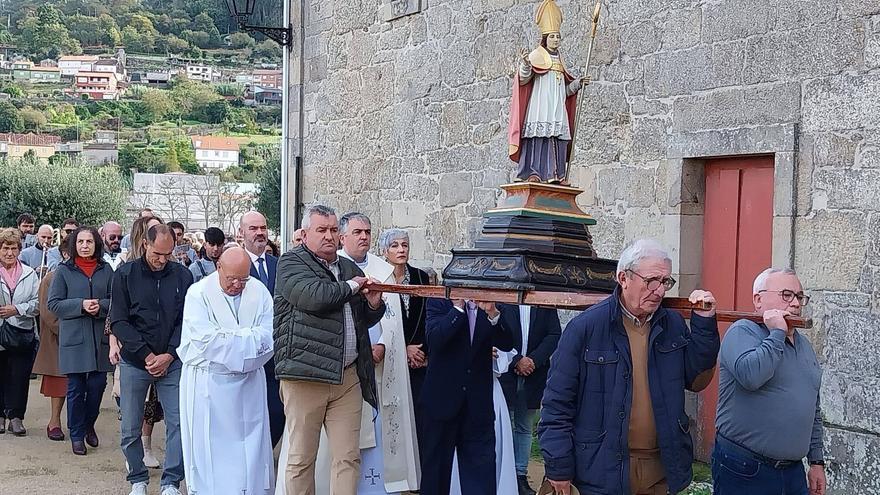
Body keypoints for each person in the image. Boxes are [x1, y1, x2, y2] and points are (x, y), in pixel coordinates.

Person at [539, 239, 720, 495]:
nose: (659, 291)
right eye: (651, 281)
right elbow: (557, 404)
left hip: (659, 470)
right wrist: (558, 467)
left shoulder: (673, 325)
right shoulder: (586, 329)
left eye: (665, 282)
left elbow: (696, 378)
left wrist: (704, 324)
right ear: (624, 278)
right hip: (602, 472)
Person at [273, 204, 385, 495]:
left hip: (347, 377)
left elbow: (363, 318)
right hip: (304, 376)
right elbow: (315, 297)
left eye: (333, 230)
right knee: (301, 459)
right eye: (321, 230)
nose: (329, 236)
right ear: (305, 233)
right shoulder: (290, 263)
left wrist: (373, 303)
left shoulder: (348, 267)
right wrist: (351, 286)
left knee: (348, 456)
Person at [322, 214, 420, 494]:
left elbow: (392, 319)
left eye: (367, 231)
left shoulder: (382, 270)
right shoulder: (334, 268)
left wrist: (385, 345)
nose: (364, 236)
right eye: (357, 232)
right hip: (350, 366)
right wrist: (365, 348)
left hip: (382, 363)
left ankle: (381, 486)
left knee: (381, 429)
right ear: (343, 237)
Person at [712, 268, 826, 495]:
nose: (795, 303)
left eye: (799, 296)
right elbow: (751, 376)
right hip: (744, 468)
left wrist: (816, 462)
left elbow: (812, 407)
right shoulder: (742, 332)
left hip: (792, 472)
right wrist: (776, 334)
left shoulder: (804, 347)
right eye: (786, 295)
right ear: (758, 299)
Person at [179, 247, 275, 494]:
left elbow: (268, 336)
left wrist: (233, 341)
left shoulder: (259, 292)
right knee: (211, 450)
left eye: (243, 279)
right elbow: (206, 341)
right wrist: (246, 340)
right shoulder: (198, 293)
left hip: (250, 383)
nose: (237, 285)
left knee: (250, 449)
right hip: (209, 384)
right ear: (218, 267)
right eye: (231, 278)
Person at [110, 224, 193, 495]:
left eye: (169, 254)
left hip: (172, 360)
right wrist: (147, 355)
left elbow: (187, 321)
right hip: (136, 361)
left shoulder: (183, 275)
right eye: (158, 253)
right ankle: (137, 478)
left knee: (179, 422)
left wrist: (169, 354)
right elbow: (119, 321)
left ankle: (171, 481)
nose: (163, 260)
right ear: (145, 244)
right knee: (130, 425)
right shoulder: (124, 275)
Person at [421, 292, 513, 495]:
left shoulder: (491, 303)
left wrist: (492, 314)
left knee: (480, 476)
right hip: (441, 403)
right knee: (435, 476)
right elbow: (435, 340)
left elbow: (508, 342)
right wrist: (458, 309)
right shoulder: (439, 301)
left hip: (477, 407)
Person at [48, 226, 114, 456]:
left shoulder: (106, 270)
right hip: (74, 339)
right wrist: (80, 305)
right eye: (80, 242)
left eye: (89, 241)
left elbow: (116, 301)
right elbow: (54, 304)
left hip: (100, 339)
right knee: (76, 388)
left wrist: (100, 306)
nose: (85, 245)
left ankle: (88, 425)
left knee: (97, 386)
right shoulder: (64, 271)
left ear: (96, 244)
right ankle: (76, 434)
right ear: (74, 245)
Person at [508, 0, 585, 184]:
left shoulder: (560, 60)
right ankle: (533, 173)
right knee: (538, 138)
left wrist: (576, 84)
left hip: (557, 108)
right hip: (540, 107)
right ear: (545, 38)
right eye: (552, 36)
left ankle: (556, 174)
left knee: (557, 137)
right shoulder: (536, 55)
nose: (556, 40)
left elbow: (564, 92)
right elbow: (524, 79)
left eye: (558, 36)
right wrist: (526, 63)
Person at [113, 214, 167, 469]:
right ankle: (133, 452)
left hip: (162, 351)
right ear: (144, 238)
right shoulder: (125, 267)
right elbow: (116, 313)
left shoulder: (171, 267)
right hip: (132, 348)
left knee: (154, 403)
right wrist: (115, 343)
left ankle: (146, 444)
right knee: (132, 405)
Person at [497, 303, 561, 495]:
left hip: (534, 373)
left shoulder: (543, 302)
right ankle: (502, 474)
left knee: (525, 426)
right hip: (505, 371)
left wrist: (533, 360)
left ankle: (519, 475)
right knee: (505, 424)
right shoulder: (504, 299)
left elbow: (554, 334)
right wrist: (517, 360)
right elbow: (497, 332)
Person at [379, 229, 430, 444]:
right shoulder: (381, 278)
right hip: (391, 357)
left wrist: (421, 351)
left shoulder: (421, 277)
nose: (401, 250)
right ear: (385, 251)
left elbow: (429, 315)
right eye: (395, 246)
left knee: (420, 416)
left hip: (419, 358)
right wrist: (403, 349)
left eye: (405, 245)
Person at [239, 211, 284, 447]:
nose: (259, 233)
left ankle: (266, 452)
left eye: (263, 228)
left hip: (279, 354)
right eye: (253, 228)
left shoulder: (281, 265)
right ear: (241, 233)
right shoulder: (236, 266)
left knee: (278, 412)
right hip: (250, 353)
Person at [450, 347, 518, 495]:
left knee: (493, 447)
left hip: (488, 390)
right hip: (457, 389)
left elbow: (503, 357)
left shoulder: (495, 325)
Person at [0, 228, 40, 436]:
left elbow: (37, 304)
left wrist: (17, 309)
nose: (9, 253)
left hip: (22, 332)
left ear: (19, 249)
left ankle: (16, 417)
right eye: (5, 248)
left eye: (13, 248)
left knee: (19, 376)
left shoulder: (30, 273)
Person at [32, 240, 69, 441]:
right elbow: (47, 312)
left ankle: (81, 424)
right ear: (64, 254)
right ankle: (54, 421)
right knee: (58, 381)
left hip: (83, 340)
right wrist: (66, 331)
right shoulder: (51, 278)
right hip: (57, 337)